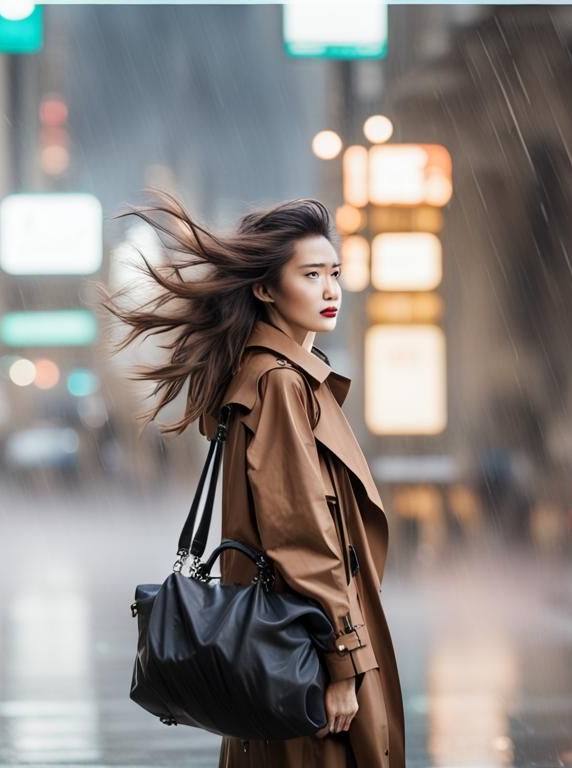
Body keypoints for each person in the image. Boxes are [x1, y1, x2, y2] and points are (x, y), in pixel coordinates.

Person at [103, 194, 405, 767]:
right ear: (265, 289)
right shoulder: (281, 383)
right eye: (310, 275)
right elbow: (301, 533)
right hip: (306, 654)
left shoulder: (263, 374)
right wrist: (344, 664)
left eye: (335, 273)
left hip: (282, 651)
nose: (330, 290)